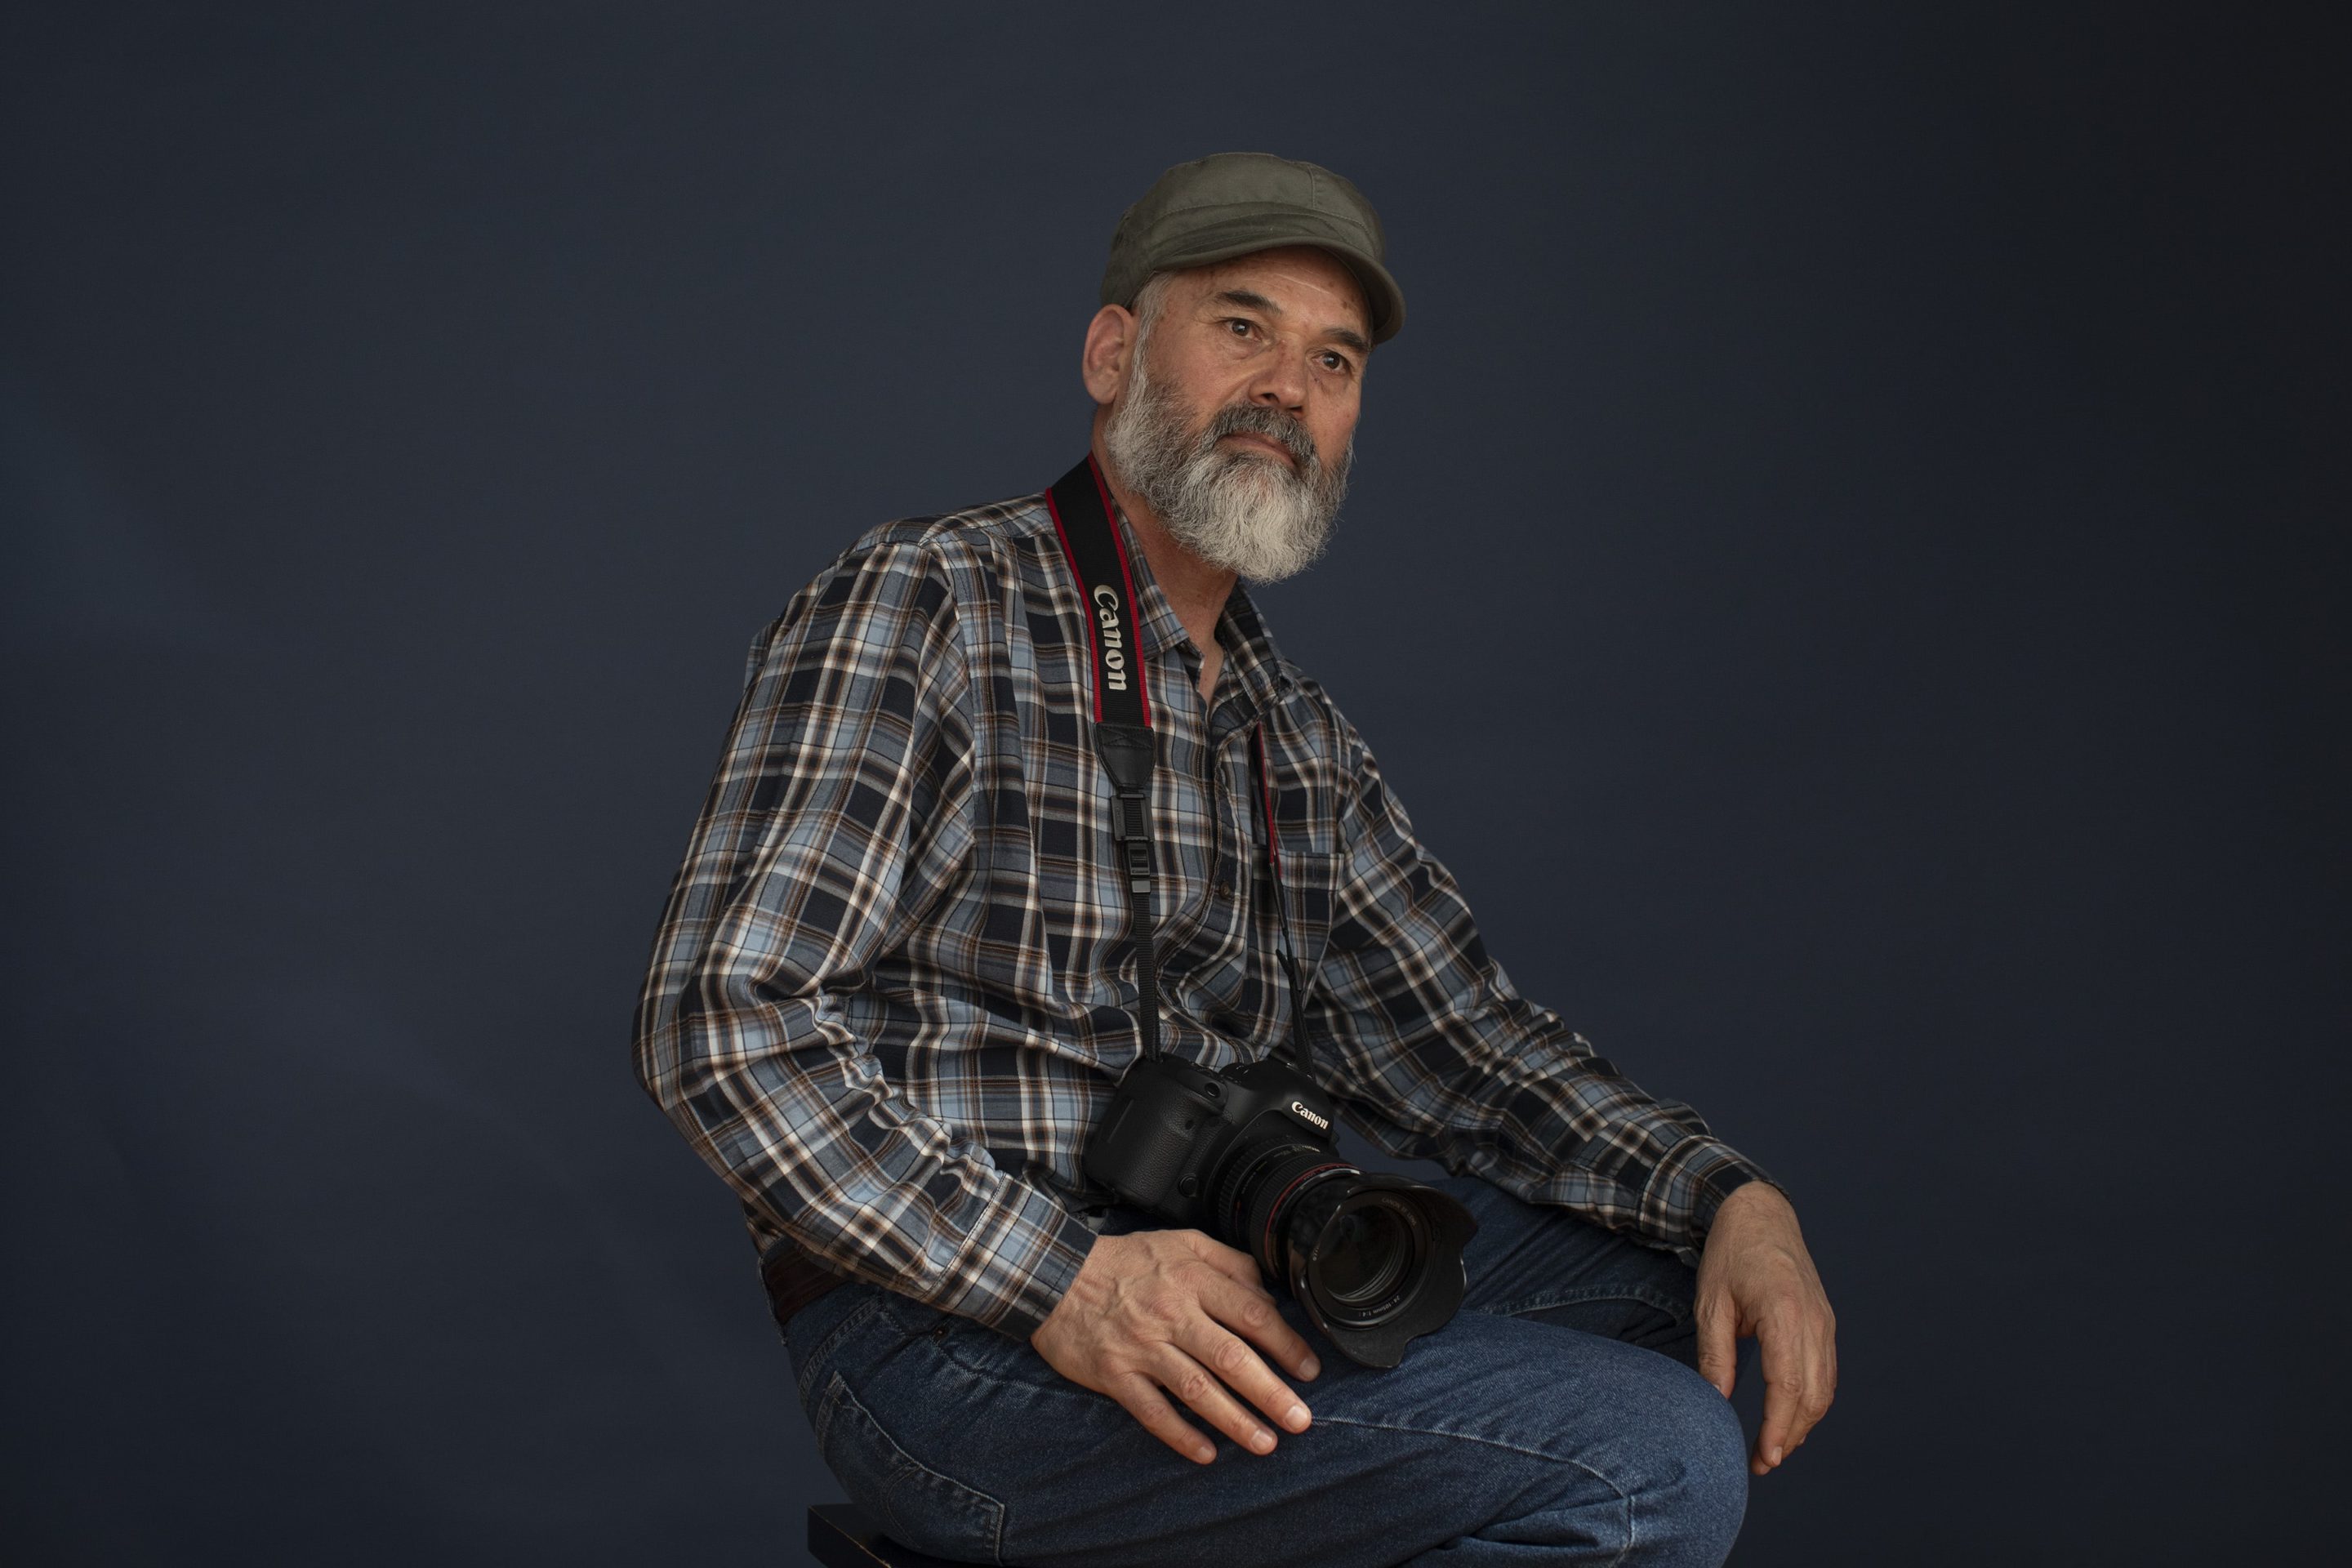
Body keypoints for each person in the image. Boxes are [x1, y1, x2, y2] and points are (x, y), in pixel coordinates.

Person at [634, 152, 1836, 1568]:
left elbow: (1470, 1050)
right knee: (1653, 1461)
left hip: (1227, 1271)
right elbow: (721, 1020)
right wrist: (1064, 1278)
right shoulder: (930, 601)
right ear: (1114, 351)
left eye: (1335, 361)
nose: (1289, 387)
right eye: (1244, 326)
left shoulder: (1296, 743)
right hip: (948, 1342)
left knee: (1673, 1290)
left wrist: (1729, 1194)